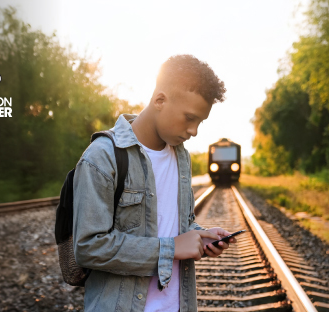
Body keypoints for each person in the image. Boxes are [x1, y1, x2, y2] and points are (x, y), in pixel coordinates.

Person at [72, 54, 235, 312]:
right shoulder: (101, 157)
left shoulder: (181, 157)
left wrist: (200, 235)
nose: (194, 131)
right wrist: (171, 249)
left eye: (200, 122)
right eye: (189, 118)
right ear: (160, 100)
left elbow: (173, 224)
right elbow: (88, 247)